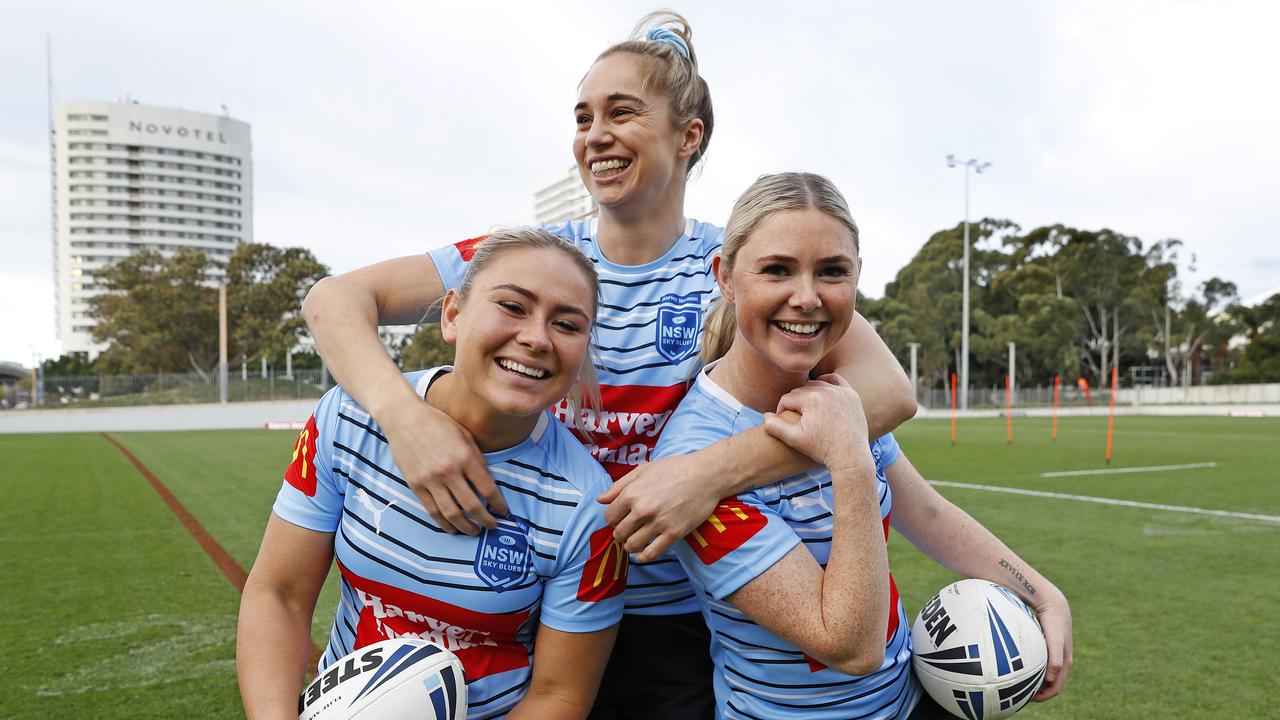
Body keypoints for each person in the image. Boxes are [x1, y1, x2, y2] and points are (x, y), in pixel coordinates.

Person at [299, 12, 917, 718]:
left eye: (621, 113)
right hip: (535, 599)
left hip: (673, 620)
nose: (595, 135)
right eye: (584, 116)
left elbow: (887, 392)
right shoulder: (533, 255)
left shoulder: (736, 265)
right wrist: (403, 416)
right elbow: (334, 298)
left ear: (690, 136)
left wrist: (707, 473)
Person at [652, 172, 1074, 719]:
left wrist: (1043, 593)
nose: (806, 298)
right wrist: (848, 455)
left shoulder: (837, 393)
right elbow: (849, 645)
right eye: (777, 270)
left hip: (907, 702)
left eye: (832, 272)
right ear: (726, 278)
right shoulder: (694, 456)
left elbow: (925, 512)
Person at [237, 229, 627, 720]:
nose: (536, 338)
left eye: (567, 324)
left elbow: (559, 695)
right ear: (452, 315)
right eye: (512, 306)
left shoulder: (589, 507)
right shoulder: (349, 418)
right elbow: (280, 594)